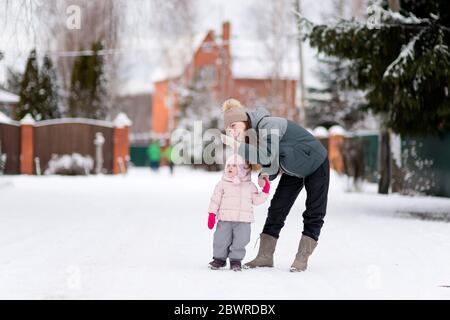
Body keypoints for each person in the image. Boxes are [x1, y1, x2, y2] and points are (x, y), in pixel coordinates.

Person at [221, 98, 329, 272]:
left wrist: (235, 145)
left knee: (314, 211)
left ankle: (302, 257)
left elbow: (267, 155)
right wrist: (266, 174)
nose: (232, 131)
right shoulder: (254, 135)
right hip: (293, 169)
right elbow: (272, 159)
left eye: (233, 126)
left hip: (317, 163)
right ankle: (265, 256)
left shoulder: (269, 125)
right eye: (229, 128)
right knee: (277, 208)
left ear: (243, 120)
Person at [207, 154, 270, 271]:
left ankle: (236, 260)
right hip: (225, 219)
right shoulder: (222, 184)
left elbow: (256, 200)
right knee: (220, 239)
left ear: (242, 169)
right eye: (228, 165)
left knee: (241, 240)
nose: (229, 168)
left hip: (243, 220)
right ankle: (219, 259)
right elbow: (215, 200)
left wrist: (265, 191)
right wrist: (211, 214)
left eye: (234, 166)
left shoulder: (249, 186)